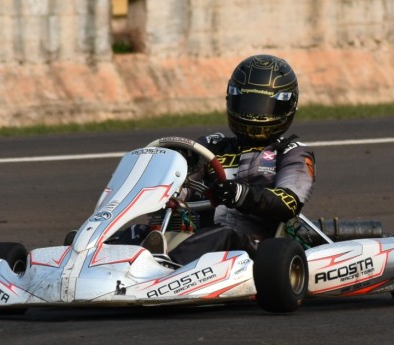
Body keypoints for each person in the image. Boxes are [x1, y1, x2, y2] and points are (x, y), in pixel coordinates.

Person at [117, 54, 316, 265]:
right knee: (136, 232)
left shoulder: (292, 151)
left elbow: (289, 201)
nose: (253, 114)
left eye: (262, 105)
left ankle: (164, 271)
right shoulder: (212, 146)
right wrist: (164, 187)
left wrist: (241, 195)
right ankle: (91, 265)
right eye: (247, 104)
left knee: (223, 234)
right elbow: (182, 186)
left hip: (259, 252)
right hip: (199, 241)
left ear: (286, 105)